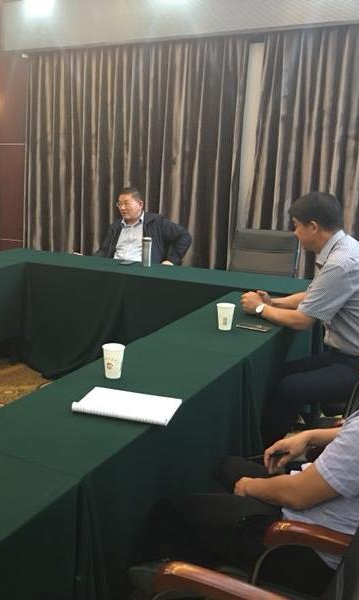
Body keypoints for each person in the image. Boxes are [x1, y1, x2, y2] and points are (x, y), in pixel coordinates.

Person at [132, 414, 359, 596]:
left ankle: (176, 583)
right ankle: (209, 560)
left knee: (173, 511)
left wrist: (249, 487)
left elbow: (298, 494)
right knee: (226, 468)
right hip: (317, 513)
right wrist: (310, 436)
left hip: (305, 546)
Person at [240, 192, 359, 446]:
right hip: (344, 355)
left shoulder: (340, 263)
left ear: (313, 227)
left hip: (353, 364)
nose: (294, 233)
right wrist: (273, 302)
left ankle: (263, 453)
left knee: (289, 388)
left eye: (296, 226)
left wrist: (259, 309)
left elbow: (303, 320)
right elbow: (315, 294)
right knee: (279, 373)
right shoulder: (345, 247)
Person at [95, 187, 192, 265]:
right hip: (115, 267)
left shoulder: (156, 222)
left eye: (126, 204)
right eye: (119, 204)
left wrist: (172, 260)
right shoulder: (115, 226)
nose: (122, 208)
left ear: (140, 204)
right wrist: (90, 261)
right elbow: (104, 250)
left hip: (142, 270)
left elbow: (184, 236)